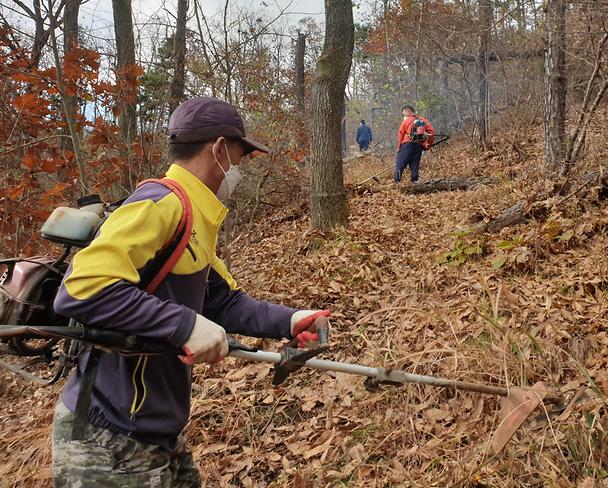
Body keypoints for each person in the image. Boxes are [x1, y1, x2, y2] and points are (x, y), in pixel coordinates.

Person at [50, 96, 331, 487]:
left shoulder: (195, 215)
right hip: (107, 436)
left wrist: (290, 320)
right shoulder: (158, 204)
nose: (239, 168)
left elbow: (222, 300)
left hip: (154, 428)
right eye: (239, 156)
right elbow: (80, 290)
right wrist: (185, 325)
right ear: (218, 148)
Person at [394, 105, 434, 183]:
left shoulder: (406, 121)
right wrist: (427, 144)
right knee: (414, 164)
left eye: (404, 114)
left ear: (408, 112)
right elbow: (431, 132)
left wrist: (399, 147)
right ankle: (414, 183)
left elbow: (400, 134)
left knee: (400, 163)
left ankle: (396, 183)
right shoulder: (422, 120)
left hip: (407, 144)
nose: (404, 116)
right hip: (418, 145)